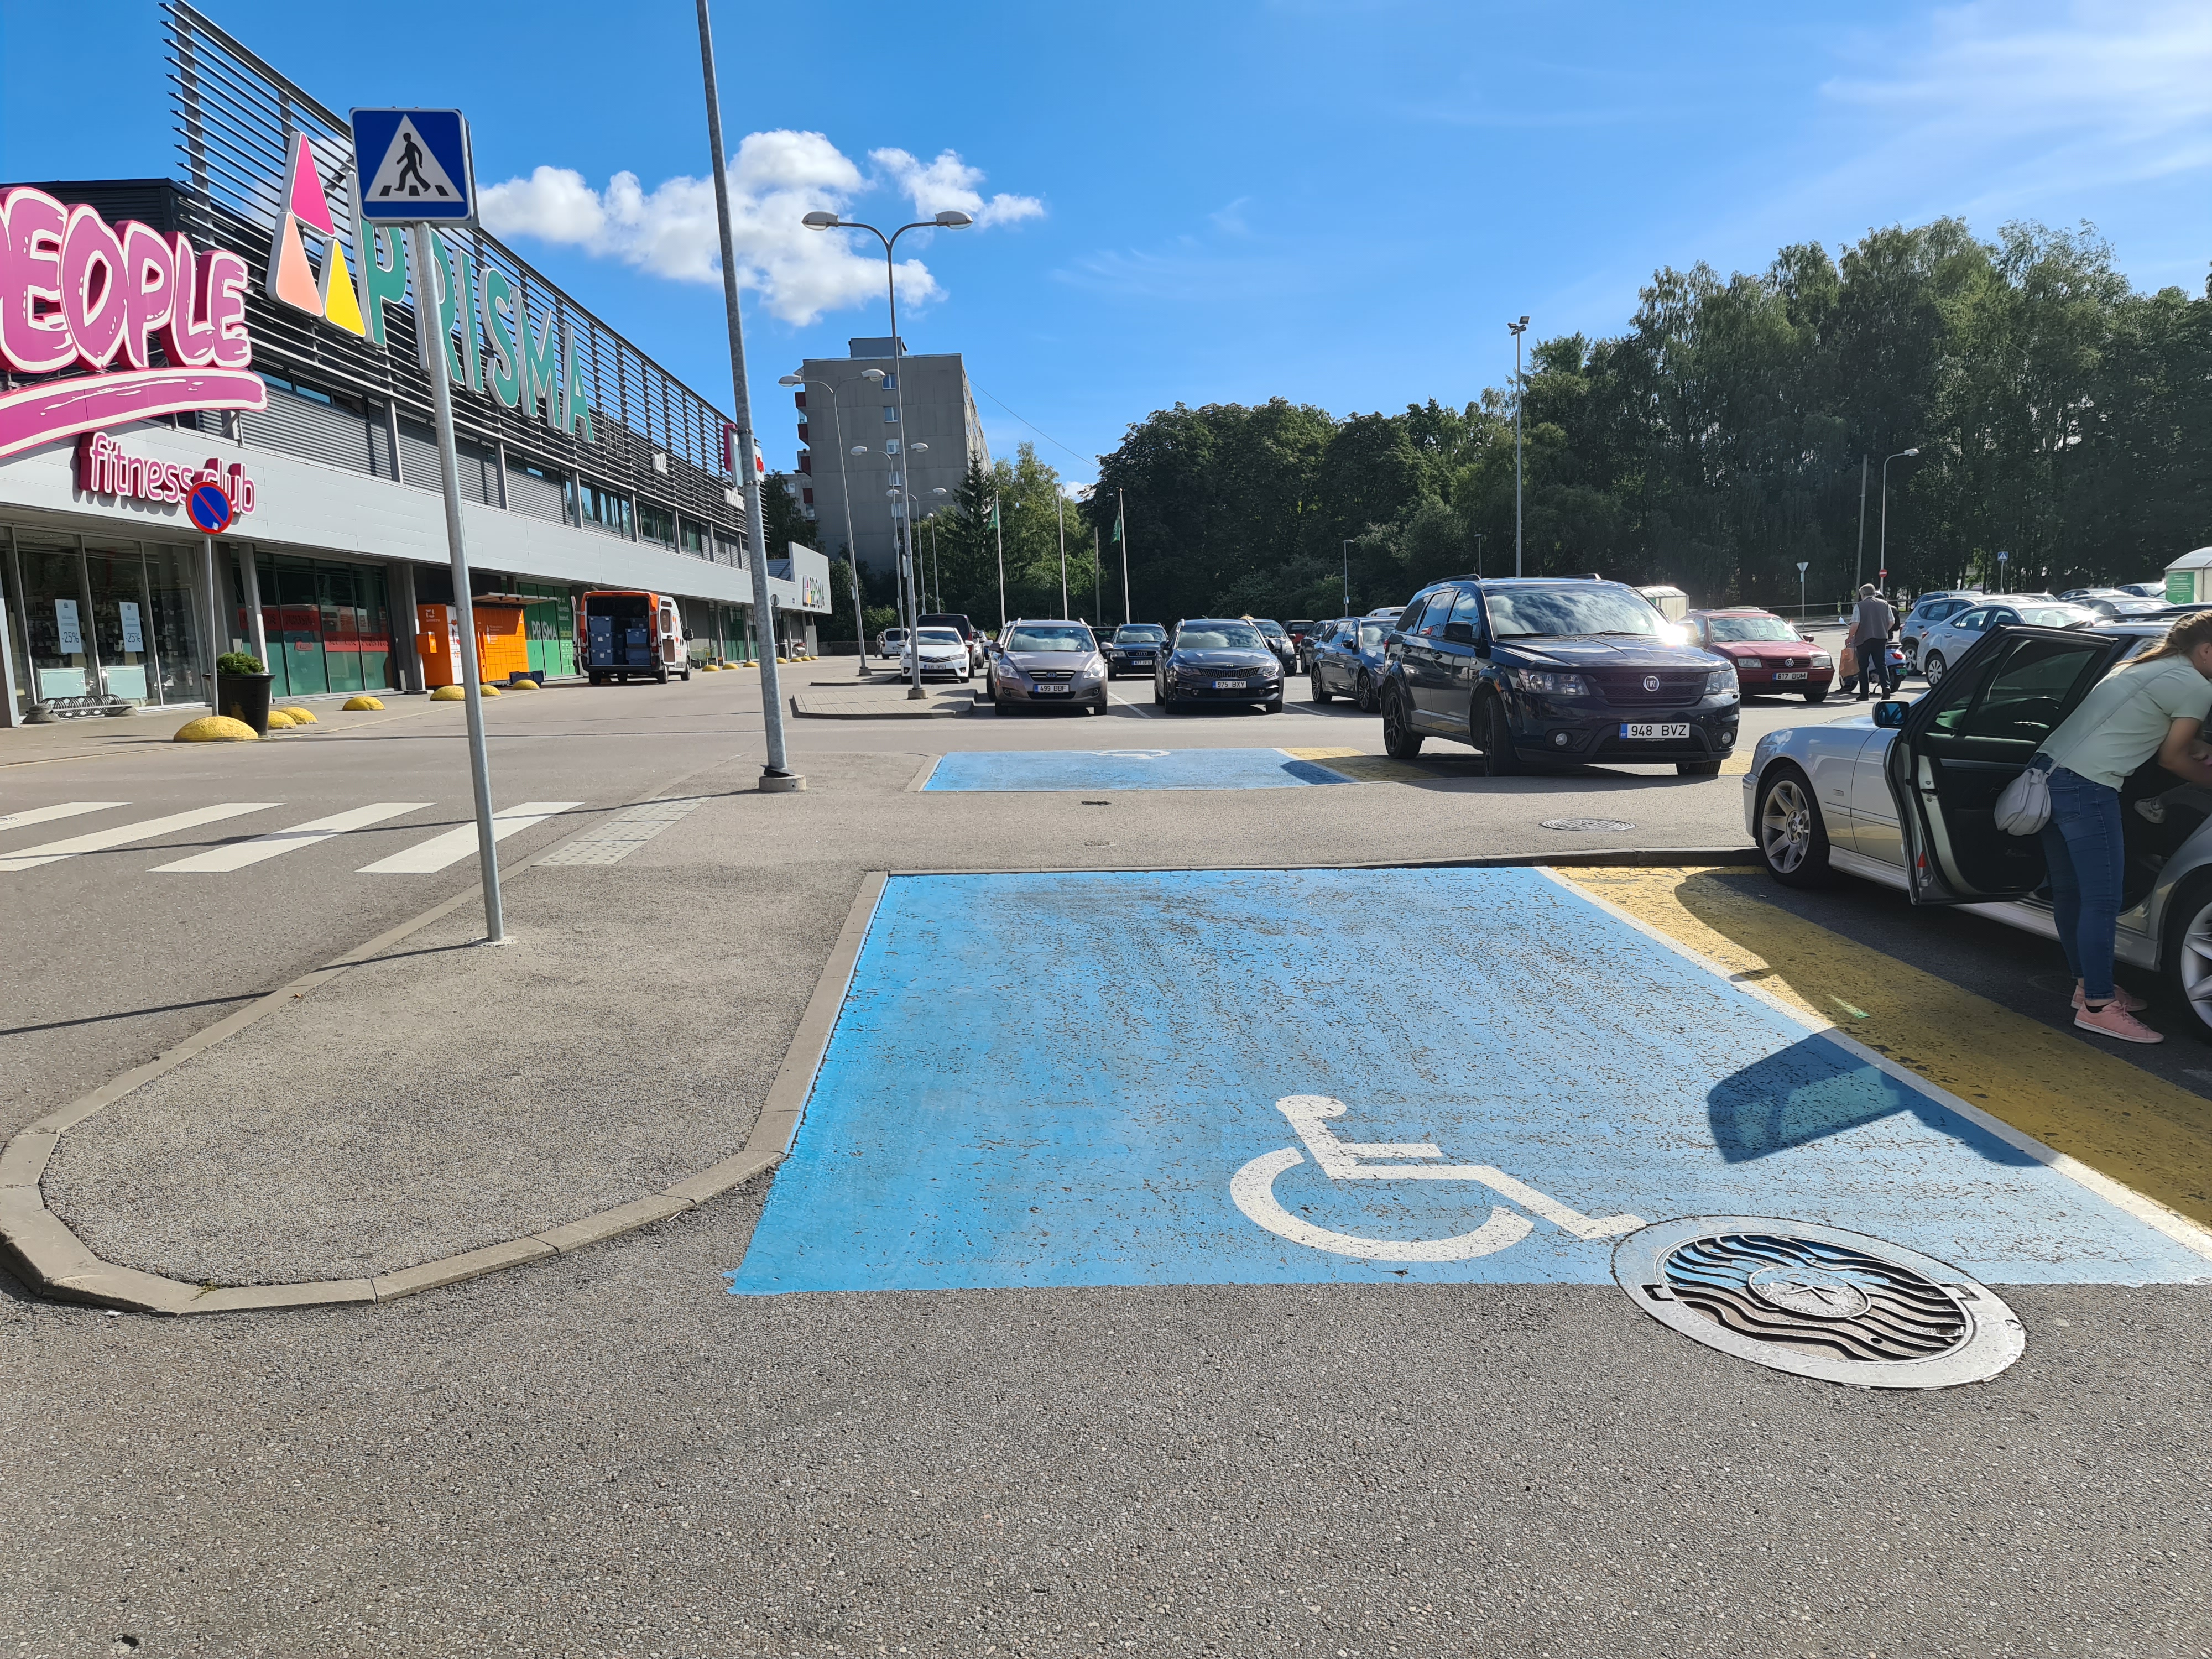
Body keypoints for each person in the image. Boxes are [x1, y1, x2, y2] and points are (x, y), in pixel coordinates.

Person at [2033, 611, 2212, 1043]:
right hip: (2089, 788)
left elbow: (2135, 726)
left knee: (2072, 893)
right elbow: (2172, 759)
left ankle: (2088, 989)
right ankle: (2098, 1007)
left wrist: (2197, 744)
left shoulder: (2138, 666)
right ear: (2207, 651)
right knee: (2102, 899)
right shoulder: (2196, 686)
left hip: (2048, 777)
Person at [1850, 583, 1897, 698]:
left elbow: (1855, 624)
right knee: (1881, 664)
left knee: (1863, 666)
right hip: (1881, 639)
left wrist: (1850, 637)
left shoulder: (1859, 606)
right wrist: (1884, 630)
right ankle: (1886, 688)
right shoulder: (1885, 605)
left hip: (1864, 640)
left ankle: (1864, 694)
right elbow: (1892, 622)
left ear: (1863, 594)